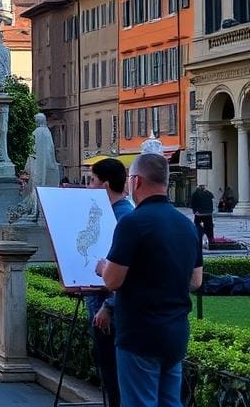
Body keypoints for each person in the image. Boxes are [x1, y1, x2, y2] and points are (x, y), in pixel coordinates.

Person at [97, 153, 203, 407]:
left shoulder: (133, 223)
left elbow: (112, 281)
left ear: (136, 181)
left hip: (139, 332)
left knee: (139, 402)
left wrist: (103, 268)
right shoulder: (186, 224)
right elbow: (196, 280)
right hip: (175, 331)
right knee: (170, 402)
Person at [87, 158, 135, 407]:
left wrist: (109, 304)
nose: (89, 186)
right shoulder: (113, 213)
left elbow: (130, 271)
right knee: (108, 370)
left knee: (114, 373)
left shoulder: (123, 217)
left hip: (111, 308)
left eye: (92, 180)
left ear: (105, 185)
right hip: (103, 303)